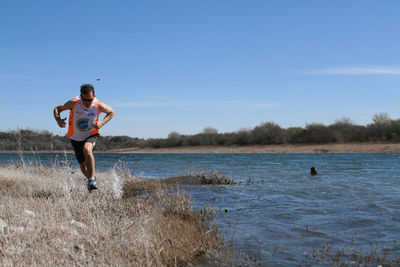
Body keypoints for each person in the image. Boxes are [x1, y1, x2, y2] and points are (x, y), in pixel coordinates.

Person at [53, 84, 115, 192]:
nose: (87, 102)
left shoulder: (98, 105)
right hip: (75, 138)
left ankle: (91, 179)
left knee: (87, 149)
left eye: (90, 100)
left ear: (94, 96)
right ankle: (92, 180)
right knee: (83, 167)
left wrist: (101, 123)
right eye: (85, 100)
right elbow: (57, 108)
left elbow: (111, 112)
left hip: (91, 135)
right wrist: (58, 120)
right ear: (81, 96)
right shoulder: (74, 103)